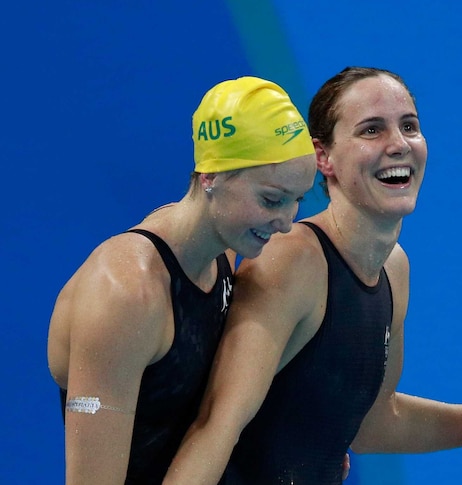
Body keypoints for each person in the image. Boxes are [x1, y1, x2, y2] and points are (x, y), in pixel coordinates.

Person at [163, 66, 462, 485]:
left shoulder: (393, 268)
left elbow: (375, 425)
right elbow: (215, 427)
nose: (399, 144)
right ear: (322, 157)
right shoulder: (292, 261)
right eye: (371, 131)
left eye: (409, 126)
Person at [46, 76, 317, 484]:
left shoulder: (223, 252)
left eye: (298, 200)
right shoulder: (127, 293)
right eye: (271, 200)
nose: (285, 223)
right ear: (210, 176)